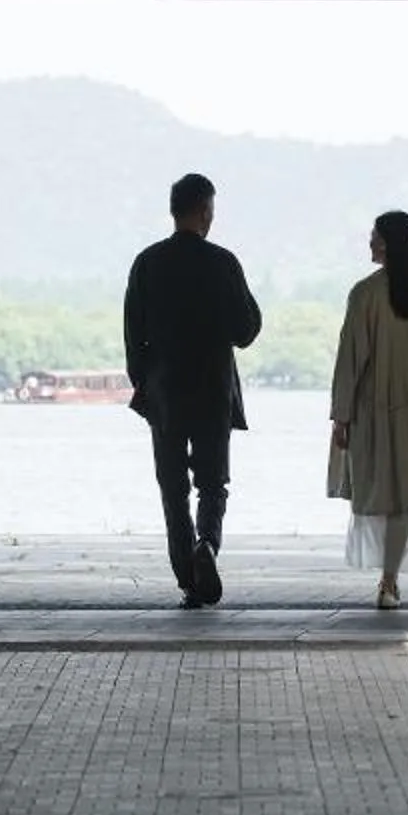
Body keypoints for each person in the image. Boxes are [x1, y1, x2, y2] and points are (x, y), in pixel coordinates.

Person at [123, 171, 263, 608]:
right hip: (212, 389)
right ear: (205, 210)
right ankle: (208, 544)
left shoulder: (147, 263)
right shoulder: (222, 262)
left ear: (173, 210)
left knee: (172, 487)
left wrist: (144, 384)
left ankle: (187, 579)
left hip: (163, 392)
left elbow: (132, 335)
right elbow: (246, 330)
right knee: (212, 483)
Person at [329, 210, 408, 609]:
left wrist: (341, 414)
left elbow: (350, 359)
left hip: (373, 410)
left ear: (388, 243)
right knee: (404, 498)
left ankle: (388, 579)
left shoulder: (365, 294)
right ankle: (389, 580)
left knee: (379, 492)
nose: (370, 242)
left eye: (374, 237)